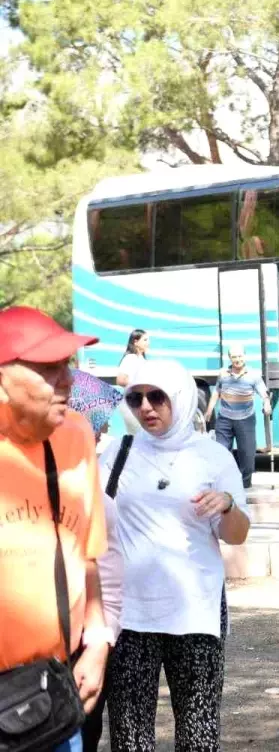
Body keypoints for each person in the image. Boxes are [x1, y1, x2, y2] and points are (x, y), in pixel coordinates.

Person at [102, 359, 251, 752]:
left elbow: (237, 536)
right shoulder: (117, 452)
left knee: (198, 734)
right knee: (130, 737)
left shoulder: (213, 456)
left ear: (181, 398)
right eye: (135, 398)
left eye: (157, 397)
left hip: (195, 611)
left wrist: (228, 506)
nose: (146, 407)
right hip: (129, 614)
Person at [0, 307, 110, 752]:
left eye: (67, 364)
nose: (68, 380)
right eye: (49, 368)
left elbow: (87, 554)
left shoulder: (77, 436)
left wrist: (99, 640)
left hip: (50, 693)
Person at [68, 373, 127, 752]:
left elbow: (107, 571)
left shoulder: (92, 479)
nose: (107, 424)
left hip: (86, 636)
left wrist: (102, 639)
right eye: (100, 416)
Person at [205, 344, 272, 490]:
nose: (237, 360)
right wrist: (209, 409)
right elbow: (217, 391)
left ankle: (245, 484)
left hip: (245, 419)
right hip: (225, 418)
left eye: (240, 356)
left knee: (247, 454)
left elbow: (264, 393)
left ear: (245, 357)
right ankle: (222, 483)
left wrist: (266, 404)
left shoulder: (253, 375)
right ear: (230, 358)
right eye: (234, 357)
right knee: (221, 451)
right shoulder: (223, 373)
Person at [115, 329, 150, 433]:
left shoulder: (142, 359)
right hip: (132, 404)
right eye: (145, 340)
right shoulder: (130, 358)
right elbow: (120, 380)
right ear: (135, 341)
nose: (148, 343)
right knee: (138, 435)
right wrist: (139, 383)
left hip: (141, 402)